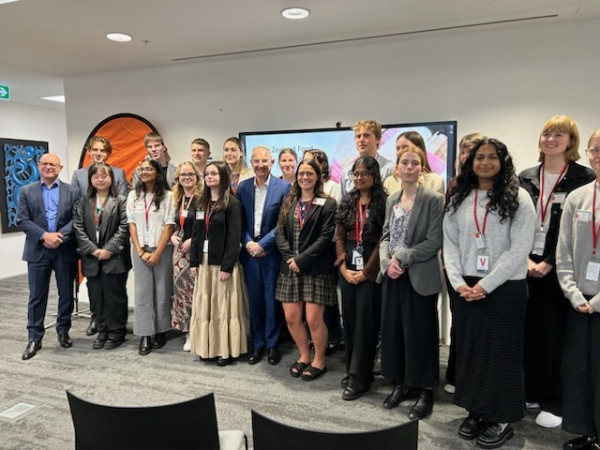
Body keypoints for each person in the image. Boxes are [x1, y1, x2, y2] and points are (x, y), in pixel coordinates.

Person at [443, 138, 535, 449]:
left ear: (502, 161)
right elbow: (451, 244)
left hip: (504, 287)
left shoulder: (519, 198)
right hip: (466, 287)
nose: (484, 162)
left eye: (491, 157)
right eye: (479, 157)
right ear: (470, 162)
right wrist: (458, 283)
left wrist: (485, 285)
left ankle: (503, 417)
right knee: (471, 352)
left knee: (501, 354)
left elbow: (519, 249)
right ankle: (478, 410)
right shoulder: (459, 198)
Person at [519, 116, 595, 429]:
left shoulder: (582, 176)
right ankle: (532, 391)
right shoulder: (526, 176)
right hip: (524, 264)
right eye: (546, 133)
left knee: (555, 335)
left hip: (560, 267)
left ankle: (554, 399)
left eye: (559, 134)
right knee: (528, 332)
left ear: (571, 141)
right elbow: (517, 220)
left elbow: (572, 231)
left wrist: (549, 260)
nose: (551, 139)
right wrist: (524, 259)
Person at [379, 145, 444, 419]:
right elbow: (384, 237)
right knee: (395, 333)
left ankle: (425, 388)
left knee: (421, 334)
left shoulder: (433, 199)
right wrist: (385, 263)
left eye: (414, 163)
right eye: (404, 162)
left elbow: (434, 241)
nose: (409, 167)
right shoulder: (392, 198)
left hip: (419, 275)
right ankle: (401, 383)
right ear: (397, 168)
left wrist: (402, 257)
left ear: (422, 168)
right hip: (393, 276)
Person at [556, 129, 600, 450]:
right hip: (578, 302)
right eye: (594, 150)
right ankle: (588, 433)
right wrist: (573, 293)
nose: (598, 156)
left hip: (598, 303)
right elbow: (563, 252)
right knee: (579, 371)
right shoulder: (578, 197)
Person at [275, 158, 337, 380]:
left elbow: (325, 237)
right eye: (301, 173)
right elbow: (279, 232)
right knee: (292, 317)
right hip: (290, 267)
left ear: (317, 176)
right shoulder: (289, 201)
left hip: (316, 269)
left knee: (313, 319)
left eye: (310, 173)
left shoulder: (327, 204)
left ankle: (319, 359)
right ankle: (304, 355)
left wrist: (302, 260)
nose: (304, 177)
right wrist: (291, 258)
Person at [17, 153, 79, 360]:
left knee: (66, 294)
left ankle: (63, 330)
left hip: (64, 248)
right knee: (36, 296)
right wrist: (44, 236)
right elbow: (22, 220)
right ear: (38, 166)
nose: (48, 167)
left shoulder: (73, 191)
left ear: (60, 168)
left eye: (53, 164)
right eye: (44, 163)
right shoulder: (27, 191)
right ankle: (35, 337)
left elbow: (77, 219)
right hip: (38, 250)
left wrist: (58, 236)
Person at [335, 156, 387, 400]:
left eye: (365, 172)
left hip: (371, 265)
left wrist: (367, 272)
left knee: (367, 324)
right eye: (356, 173)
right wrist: (343, 267)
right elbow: (339, 236)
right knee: (351, 322)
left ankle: (360, 378)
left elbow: (383, 240)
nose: (359, 177)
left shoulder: (384, 202)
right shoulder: (347, 201)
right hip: (348, 263)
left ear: (375, 176)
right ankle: (353, 370)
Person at [189, 161, 249, 366]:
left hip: (222, 265)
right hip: (204, 264)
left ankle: (224, 350)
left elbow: (234, 238)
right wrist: (194, 261)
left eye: (214, 173)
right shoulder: (200, 203)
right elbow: (196, 234)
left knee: (222, 308)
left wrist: (227, 266)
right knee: (206, 306)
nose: (210, 176)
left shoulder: (232, 203)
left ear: (223, 177)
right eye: (207, 173)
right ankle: (207, 347)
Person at [238, 147, 290, 365]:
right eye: (256, 161)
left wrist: (263, 245)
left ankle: (272, 345)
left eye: (265, 161)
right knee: (255, 300)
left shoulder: (284, 187)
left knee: (271, 300)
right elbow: (238, 221)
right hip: (250, 253)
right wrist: (249, 242)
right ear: (251, 162)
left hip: (271, 254)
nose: (260, 165)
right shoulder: (243, 187)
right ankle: (257, 344)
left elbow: (283, 223)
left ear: (272, 163)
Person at [71, 135, 128, 337]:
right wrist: (92, 248)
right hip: (91, 249)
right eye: (95, 150)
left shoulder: (119, 183)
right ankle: (100, 325)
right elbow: (77, 219)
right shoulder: (79, 180)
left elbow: (123, 219)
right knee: (95, 293)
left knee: (114, 293)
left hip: (113, 248)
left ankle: (115, 329)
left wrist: (109, 248)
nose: (98, 153)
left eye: (102, 150)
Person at [444, 132, 486, 395]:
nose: (467, 155)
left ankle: (480, 379)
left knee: (483, 326)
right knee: (460, 323)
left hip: (487, 270)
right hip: (458, 267)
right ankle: (456, 375)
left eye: (474, 151)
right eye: (464, 150)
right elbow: (449, 229)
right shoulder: (455, 185)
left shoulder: (499, 187)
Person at [127, 157, 175, 356]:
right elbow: (131, 224)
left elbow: (169, 225)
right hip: (140, 250)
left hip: (162, 249)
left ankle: (162, 330)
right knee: (142, 293)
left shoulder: (169, 196)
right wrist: (139, 250)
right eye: (142, 168)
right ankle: (146, 333)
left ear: (157, 172)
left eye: (149, 168)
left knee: (162, 292)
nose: (145, 171)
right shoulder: (132, 196)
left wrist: (156, 253)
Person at [170, 161, 203, 352]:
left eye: (190, 175)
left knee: (195, 292)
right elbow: (175, 223)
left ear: (196, 178)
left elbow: (203, 226)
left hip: (195, 250)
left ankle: (197, 331)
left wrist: (192, 240)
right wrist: (174, 235)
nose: (187, 178)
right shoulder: (177, 198)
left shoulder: (200, 199)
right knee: (181, 293)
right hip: (179, 251)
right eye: (183, 175)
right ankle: (187, 331)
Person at [340, 119, 395, 197]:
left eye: (366, 135)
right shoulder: (347, 171)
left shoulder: (390, 169)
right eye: (358, 136)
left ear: (378, 139)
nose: (361, 140)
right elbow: (342, 202)